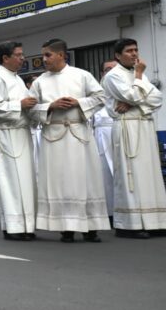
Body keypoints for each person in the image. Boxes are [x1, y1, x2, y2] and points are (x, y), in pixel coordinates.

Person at [28, 38, 109, 243]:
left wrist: (79, 102)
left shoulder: (82, 75)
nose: (44, 59)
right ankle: (65, 228)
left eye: (48, 55)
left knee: (85, 179)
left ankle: (90, 227)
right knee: (59, 181)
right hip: (53, 137)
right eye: (43, 55)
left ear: (62, 55)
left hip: (78, 133)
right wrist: (50, 106)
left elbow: (101, 97)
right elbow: (29, 110)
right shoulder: (39, 82)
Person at [101, 38, 166, 238]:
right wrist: (138, 80)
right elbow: (135, 96)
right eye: (129, 51)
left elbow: (157, 98)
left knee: (150, 174)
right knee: (131, 175)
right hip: (127, 126)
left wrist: (134, 101)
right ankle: (129, 225)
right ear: (118, 56)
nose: (135, 54)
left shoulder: (138, 76)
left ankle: (154, 221)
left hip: (144, 125)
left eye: (136, 49)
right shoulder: (113, 76)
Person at [0, 42, 38, 240]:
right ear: (5, 58)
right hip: (7, 134)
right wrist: (19, 105)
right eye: (19, 55)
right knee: (11, 181)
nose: (23, 58)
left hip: (21, 133)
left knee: (26, 180)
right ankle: (13, 227)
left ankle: (26, 225)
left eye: (23, 54)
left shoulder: (18, 80)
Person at [93, 60, 118, 225]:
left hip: (120, 132)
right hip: (100, 135)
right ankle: (108, 212)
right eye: (107, 69)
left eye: (113, 69)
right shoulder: (97, 92)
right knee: (104, 176)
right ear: (102, 74)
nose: (110, 72)